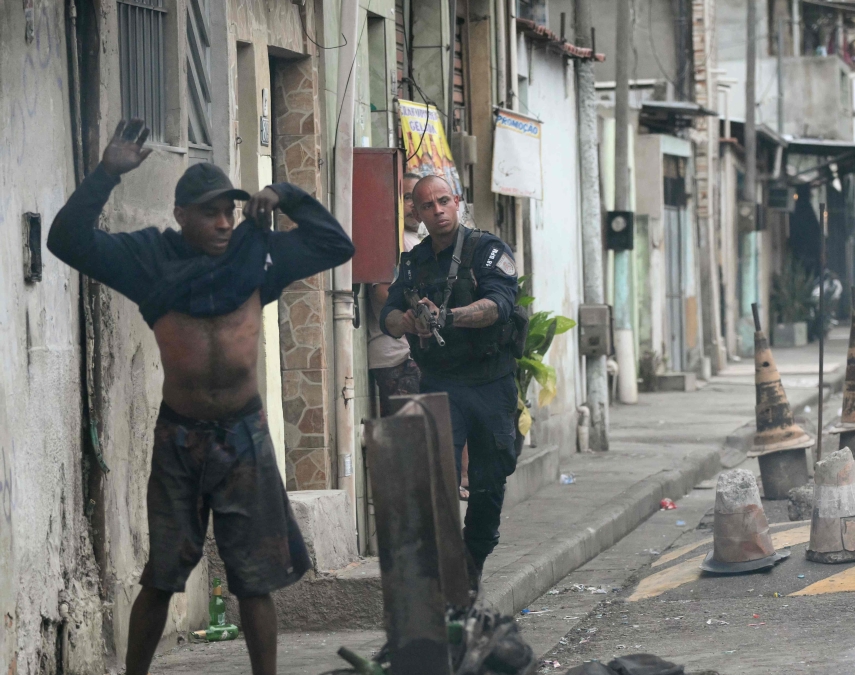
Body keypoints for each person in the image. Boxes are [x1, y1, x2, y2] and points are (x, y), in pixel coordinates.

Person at [47, 120, 355, 675]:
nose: (221, 222)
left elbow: (337, 243)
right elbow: (66, 241)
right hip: (180, 438)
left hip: (244, 435)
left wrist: (285, 194)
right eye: (209, 212)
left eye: (229, 212)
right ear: (180, 216)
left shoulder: (258, 256)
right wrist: (106, 175)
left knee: (255, 580)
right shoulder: (148, 261)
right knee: (162, 575)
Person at [380, 175, 522, 581]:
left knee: (488, 483)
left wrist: (449, 317)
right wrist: (407, 320)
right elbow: (386, 315)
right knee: (433, 480)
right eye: (428, 205)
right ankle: (442, 573)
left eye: (444, 201)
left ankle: (472, 560)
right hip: (440, 384)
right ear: (418, 213)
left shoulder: (486, 250)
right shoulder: (415, 261)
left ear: (457, 202)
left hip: (490, 383)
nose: (438, 210)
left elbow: (500, 304)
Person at [367, 173, 425, 419]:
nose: (414, 204)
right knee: (409, 441)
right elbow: (382, 291)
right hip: (397, 358)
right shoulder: (391, 238)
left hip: (415, 356)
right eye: (407, 197)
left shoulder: (419, 238)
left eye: (418, 198)